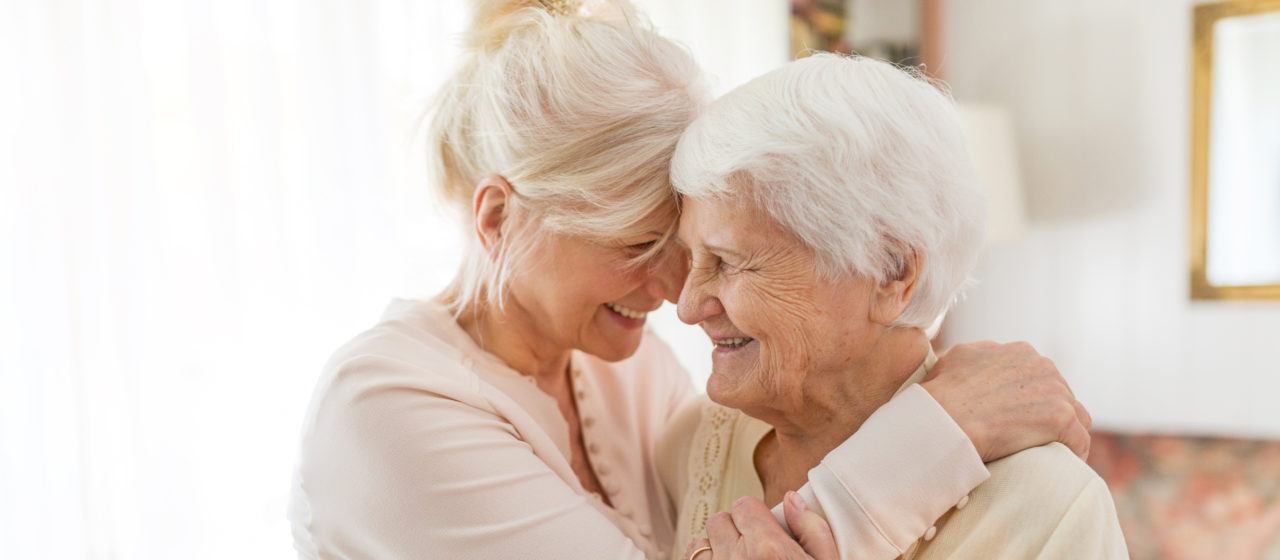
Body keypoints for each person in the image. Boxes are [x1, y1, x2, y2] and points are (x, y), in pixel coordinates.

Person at [287, 2, 1094, 558]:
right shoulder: (386, 408)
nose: (677, 293)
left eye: (706, 250)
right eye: (641, 243)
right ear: (498, 219)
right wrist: (939, 431)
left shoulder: (627, 371)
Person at [660, 53, 1128, 560]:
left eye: (729, 262)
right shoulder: (693, 445)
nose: (688, 305)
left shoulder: (1051, 508)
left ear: (890, 272)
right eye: (692, 258)